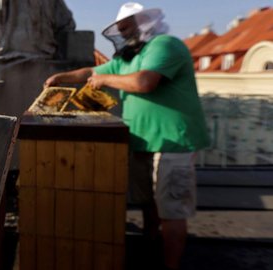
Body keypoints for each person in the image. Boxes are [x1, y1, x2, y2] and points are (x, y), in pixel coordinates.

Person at [44, 2, 210, 270]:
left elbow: (144, 82)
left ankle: (171, 264)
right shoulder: (126, 60)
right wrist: (61, 77)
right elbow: (90, 72)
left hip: (173, 143)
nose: (122, 35)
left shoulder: (166, 45)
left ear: (144, 24)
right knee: (148, 202)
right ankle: (150, 245)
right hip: (142, 141)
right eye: (119, 30)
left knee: (171, 210)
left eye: (126, 29)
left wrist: (105, 81)